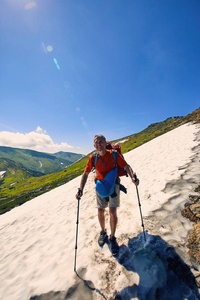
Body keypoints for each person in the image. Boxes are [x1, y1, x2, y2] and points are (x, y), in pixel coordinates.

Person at [75, 134, 139, 255]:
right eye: (96, 143)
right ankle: (103, 232)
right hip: (100, 187)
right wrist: (80, 189)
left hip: (114, 185)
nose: (99, 144)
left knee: (112, 212)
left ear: (105, 143)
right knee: (100, 211)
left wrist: (133, 178)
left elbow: (126, 166)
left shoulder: (114, 154)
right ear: (94, 145)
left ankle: (112, 237)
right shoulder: (92, 158)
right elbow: (85, 174)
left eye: (101, 142)